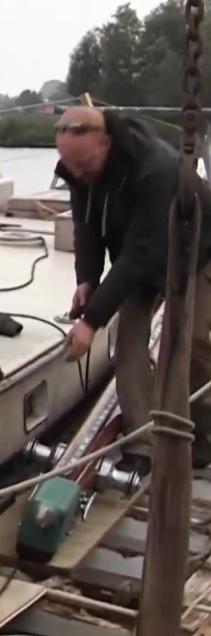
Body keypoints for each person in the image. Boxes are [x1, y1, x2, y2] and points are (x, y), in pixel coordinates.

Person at [56, 106, 211, 476]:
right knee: (128, 345)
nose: (78, 174)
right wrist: (87, 279)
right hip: (139, 257)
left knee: (194, 347)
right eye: (69, 165)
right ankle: (142, 444)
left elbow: (143, 251)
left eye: (84, 164)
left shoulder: (156, 170)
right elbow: (87, 227)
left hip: (198, 253)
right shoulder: (80, 170)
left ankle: (202, 435)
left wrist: (92, 320)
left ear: (106, 142)